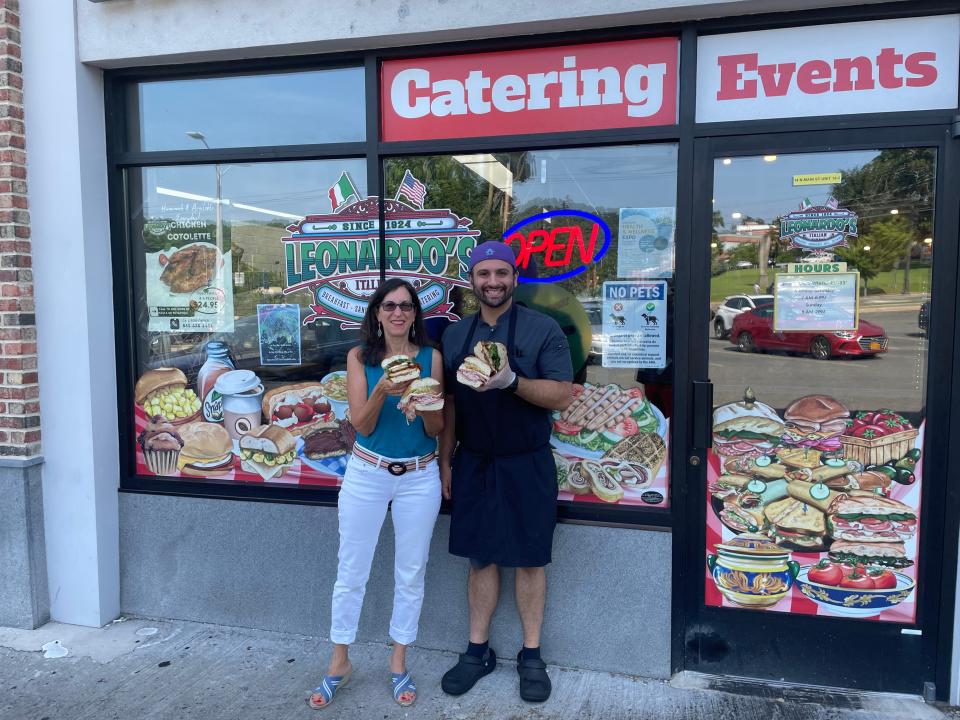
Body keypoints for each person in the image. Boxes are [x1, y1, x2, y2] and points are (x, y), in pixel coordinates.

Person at [438, 241, 573, 703]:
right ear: (471, 280)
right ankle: (478, 651)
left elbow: (561, 394)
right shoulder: (456, 336)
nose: (492, 282)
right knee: (480, 558)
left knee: (531, 560)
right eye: (483, 274)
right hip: (474, 461)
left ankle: (530, 655)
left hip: (526, 461)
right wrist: (445, 460)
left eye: (501, 273)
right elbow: (450, 404)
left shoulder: (543, 330)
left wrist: (511, 381)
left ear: (515, 277)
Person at [308, 278, 444, 710]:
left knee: (411, 571)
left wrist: (421, 400)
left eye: (406, 306)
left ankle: (399, 660)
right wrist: (385, 389)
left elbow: (437, 430)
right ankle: (339, 661)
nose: (398, 313)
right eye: (389, 306)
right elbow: (362, 426)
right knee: (351, 570)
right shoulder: (359, 357)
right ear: (377, 313)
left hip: (420, 475)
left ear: (415, 314)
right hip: (367, 472)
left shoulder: (431, 358)